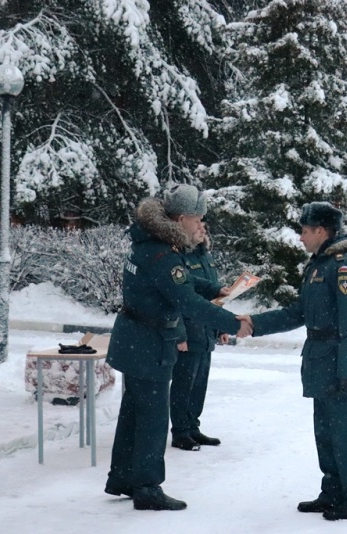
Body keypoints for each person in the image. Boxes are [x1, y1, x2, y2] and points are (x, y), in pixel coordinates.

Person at [104, 184, 252, 511]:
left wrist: (215, 287)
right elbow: (186, 299)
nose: (201, 226)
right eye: (198, 219)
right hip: (148, 343)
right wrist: (232, 323)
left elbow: (180, 279)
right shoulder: (162, 253)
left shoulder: (152, 244)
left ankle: (123, 477)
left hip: (135, 339)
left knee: (133, 412)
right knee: (153, 418)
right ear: (182, 218)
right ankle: (147, 488)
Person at [239, 201, 347, 521]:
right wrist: (254, 323)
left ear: (320, 230)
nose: (300, 237)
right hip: (320, 361)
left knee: (346, 434)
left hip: (340, 363)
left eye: (304, 231)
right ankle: (334, 492)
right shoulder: (319, 265)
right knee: (326, 433)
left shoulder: (344, 266)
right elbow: (298, 313)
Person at [169, 222, 229, 451]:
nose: (204, 230)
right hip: (189, 332)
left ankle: (193, 428)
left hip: (206, 330)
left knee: (199, 385)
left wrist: (221, 326)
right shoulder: (179, 257)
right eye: (200, 226)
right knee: (183, 384)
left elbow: (215, 296)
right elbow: (178, 299)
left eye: (206, 226)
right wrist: (179, 333)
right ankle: (180, 432)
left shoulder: (205, 256)